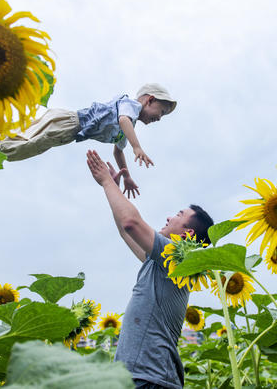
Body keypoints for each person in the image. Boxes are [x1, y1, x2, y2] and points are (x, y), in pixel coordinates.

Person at [86, 149, 214, 389]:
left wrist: (105, 181)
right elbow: (127, 232)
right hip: (143, 379)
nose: (169, 218)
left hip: (150, 379)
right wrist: (110, 190)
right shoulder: (162, 262)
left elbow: (132, 223)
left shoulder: (178, 260)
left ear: (187, 234)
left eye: (178, 215)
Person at [0, 83, 177, 198]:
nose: (160, 118)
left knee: (18, 137)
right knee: (22, 144)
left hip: (66, 130)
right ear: (149, 100)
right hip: (68, 123)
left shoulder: (128, 128)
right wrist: (138, 147)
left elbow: (117, 152)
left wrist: (127, 176)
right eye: (162, 112)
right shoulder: (129, 106)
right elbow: (123, 119)